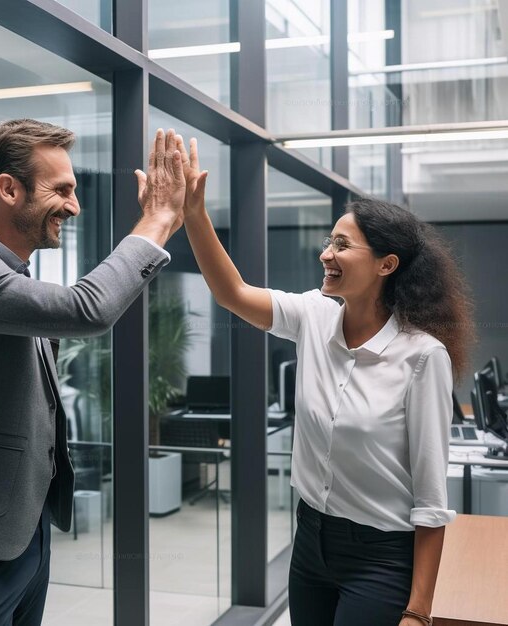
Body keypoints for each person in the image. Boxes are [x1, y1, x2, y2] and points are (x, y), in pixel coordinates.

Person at [0, 119, 186, 625]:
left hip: (17, 533)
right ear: (8, 189)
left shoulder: (10, 275)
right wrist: (157, 219)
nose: (74, 206)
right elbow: (86, 310)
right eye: (62, 190)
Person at [173, 136, 475, 626]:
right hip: (310, 543)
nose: (326, 254)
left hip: (382, 556)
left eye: (342, 244)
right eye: (328, 241)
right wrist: (194, 215)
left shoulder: (422, 357)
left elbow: (430, 498)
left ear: (386, 264)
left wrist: (418, 612)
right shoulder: (313, 316)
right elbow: (232, 292)